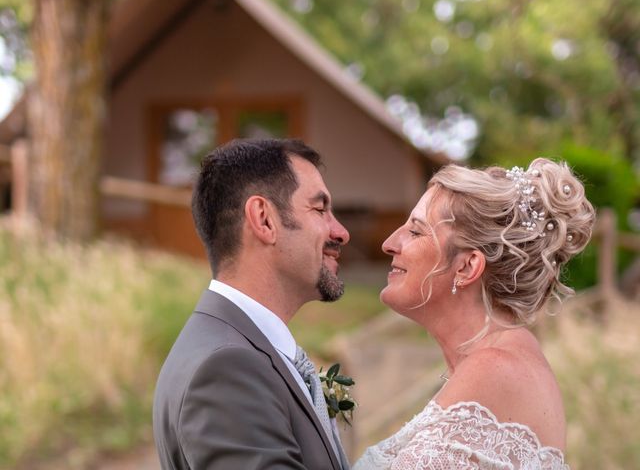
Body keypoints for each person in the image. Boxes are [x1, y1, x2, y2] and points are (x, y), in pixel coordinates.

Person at [354, 158, 595, 469]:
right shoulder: (502, 359)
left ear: (467, 267)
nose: (389, 244)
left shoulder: (496, 369)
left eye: (415, 231)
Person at [153, 138, 351, 469]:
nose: (341, 232)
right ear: (264, 219)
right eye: (320, 209)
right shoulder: (226, 369)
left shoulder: (241, 349)